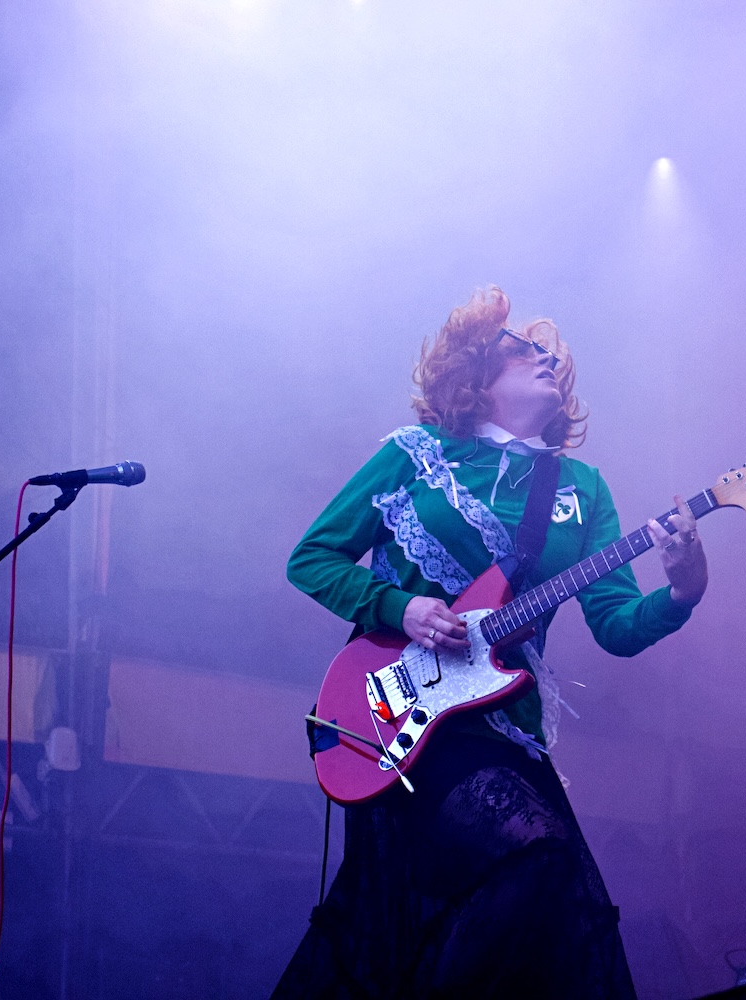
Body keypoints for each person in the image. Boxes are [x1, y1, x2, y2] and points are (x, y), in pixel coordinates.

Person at [271, 287, 707, 999]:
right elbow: (311, 558)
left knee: (553, 899)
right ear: (475, 373)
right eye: (521, 348)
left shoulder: (582, 488)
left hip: (503, 726)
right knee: (533, 852)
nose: (545, 356)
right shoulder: (415, 455)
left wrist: (683, 590)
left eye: (549, 352)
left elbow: (617, 625)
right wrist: (401, 607)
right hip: (393, 715)